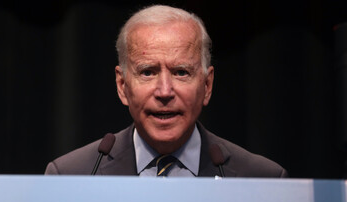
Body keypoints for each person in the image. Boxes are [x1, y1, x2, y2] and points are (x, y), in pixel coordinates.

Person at [45, 5, 288, 178]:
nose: (164, 91)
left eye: (181, 72)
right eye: (148, 72)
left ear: (207, 85)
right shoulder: (71, 176)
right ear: (122, 86)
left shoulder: (262, 180)